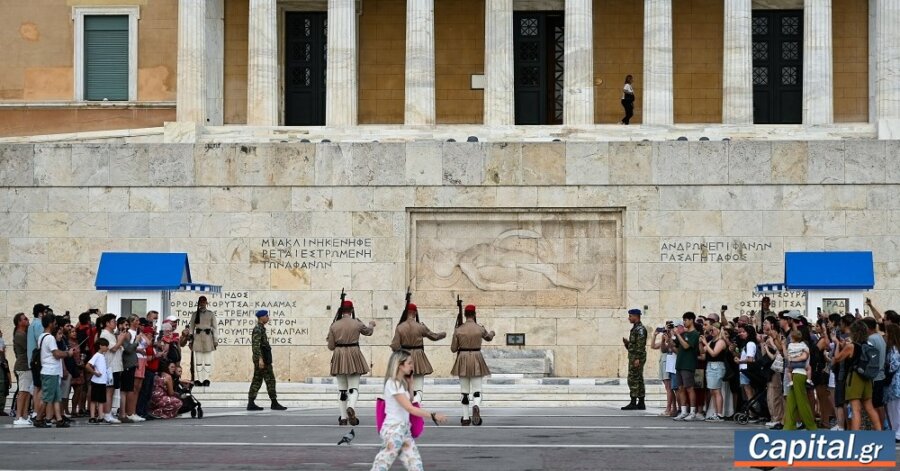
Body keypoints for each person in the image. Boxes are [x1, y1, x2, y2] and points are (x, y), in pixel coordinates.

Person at [370, 350, 447, 471]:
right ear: (400, 365)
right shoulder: (392, 384)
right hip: (393, 430)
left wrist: (410, 385)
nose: (412, 366)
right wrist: (432, 415)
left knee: (415, 465)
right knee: (381, 465)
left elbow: (409, 402)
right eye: (409, 363)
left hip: (404, 430)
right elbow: (410, 408)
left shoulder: (401, 384)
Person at [327, 299, 376, 426]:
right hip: (353, 355)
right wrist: (371, 324)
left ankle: (343, 418)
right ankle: (352, 407)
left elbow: (331, 346)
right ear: (352, 310)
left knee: (342, 390)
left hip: (339, 356)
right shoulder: (357, 323)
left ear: (341, 311)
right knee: (353, 387)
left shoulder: (334, 325)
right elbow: (368, 332)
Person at [390, 303, 447, 403]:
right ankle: (415, 407)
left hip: (405, 359)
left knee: (406, 387)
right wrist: (443, 334)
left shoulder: (400, 327)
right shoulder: (420, 327)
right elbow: (434, 336)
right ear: (415, 313)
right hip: (418, 358)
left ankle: (408, 408)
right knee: (418, 389)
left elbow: (394, 346)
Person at [450, 304, 495, 426]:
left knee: (464, 392)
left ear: (464, 315)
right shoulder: (479, 328)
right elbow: (488, 338)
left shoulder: (458, 329)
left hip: (463, 359)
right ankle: (476, 405)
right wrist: (492, 332)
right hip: (476, 358)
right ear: (474, 314)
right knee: (477, 390)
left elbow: (453, 349)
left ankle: (465, 418)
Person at [835, 320, 882, 431]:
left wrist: (838, 345)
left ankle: (855, 436)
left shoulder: (851, 346)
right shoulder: (868, 345)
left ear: (854, 332)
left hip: (855, 378)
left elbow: (837, 358)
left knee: (855, 409)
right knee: (870, 408)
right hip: (867, 378)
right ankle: (879, 432)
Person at [34, 314, 72, 428]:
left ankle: (59, 419)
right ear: (50, 323)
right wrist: (67, 353)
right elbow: (56, 354)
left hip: (51, 371)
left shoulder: (42, 336)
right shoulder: (50, 338)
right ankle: (39, 419)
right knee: (46, 398)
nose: (56, 324)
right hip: (50, 371)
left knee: (56, 397)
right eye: (55, 322)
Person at [247, 310, 286, 411]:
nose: (268, 317)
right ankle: (274, 402)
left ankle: (251, 403)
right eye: (266, 316)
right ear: (261, 318)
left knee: (257, 380)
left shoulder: (261, 329)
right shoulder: (258, 329)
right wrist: (260, 359)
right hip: (262, 360)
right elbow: (255, 346)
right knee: (270, 380)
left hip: (263, 359)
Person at [783, 329, 817, 430]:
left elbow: (803, 357)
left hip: (799, 374)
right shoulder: (802, 346)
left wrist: (792, 359)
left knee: (801, 401)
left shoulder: (801, 346)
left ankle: (811, 426)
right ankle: (788, 426)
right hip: (796, 374)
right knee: (791, 402)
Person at [671, 312, 700, 421]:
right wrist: (669, 338)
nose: (684, 322)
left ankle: (692, 412)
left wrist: (678, 334)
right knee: (681, 388)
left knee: (689, 388)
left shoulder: (695, 334)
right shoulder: (683, 334)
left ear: (691, 320)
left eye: (686, 320)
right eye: (683, 320)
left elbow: (686, 346)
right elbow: (677, 349)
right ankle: (683, 411)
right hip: (679, 363)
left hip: (688, 364)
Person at [187, 296, 218, 387]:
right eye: (201, 302)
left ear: (206, 303)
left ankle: (206, 379)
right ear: (199, 303)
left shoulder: (210, 314)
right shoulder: (194, 314)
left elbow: (215, 328)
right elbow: (191, 328)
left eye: (204, 302)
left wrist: (215, 340)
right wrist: (190, 340)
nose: (202, 303)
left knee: (207, 360)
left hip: (208, 337)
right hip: (198, 337)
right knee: (199, 360)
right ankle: (199, 379)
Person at [621, 308, 647, 410]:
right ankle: (640, 403)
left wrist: (637, 358)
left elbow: (640, 346)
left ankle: (633, 402)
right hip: (634, 356)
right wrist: (627, 344)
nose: (629, 318)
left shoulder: (640, 329)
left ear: (636, 316)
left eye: (630, 316)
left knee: (633, 379)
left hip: (637, 358)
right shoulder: (636, 328)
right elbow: (634, 346)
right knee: (638, 379)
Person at [700, 322, 726, 421]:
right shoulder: (712, 341)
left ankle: (719, 413)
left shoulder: (721, 341)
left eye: (713, 330)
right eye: (710, 330)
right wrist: (701, 342)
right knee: (712, 390)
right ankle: (716, 413)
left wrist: (706, 343)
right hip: (710, 366)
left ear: (718, 330)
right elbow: (703, 351)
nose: (711, 332)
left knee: (716, 390)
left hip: (717, 366)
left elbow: (714, 353)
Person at [12, 313, 33, 426]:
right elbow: (28, 347)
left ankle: (24, 415)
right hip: (23, 366)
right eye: (25, 319)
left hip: (27, 366)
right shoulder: (20, 335)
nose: (27, 319)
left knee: (27, 392)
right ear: (19, 322)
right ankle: (18, 415)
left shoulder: (24, 333)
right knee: (23, 391)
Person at [84, 337, 110, 424]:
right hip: (96, 381)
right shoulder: (96, 355)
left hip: (102, 381)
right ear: (100, 346)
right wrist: (94, 372)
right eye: (105, 346)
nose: (107, 347)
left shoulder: (102, 356)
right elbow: (88, 365)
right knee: (94, 399)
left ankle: (100, 416)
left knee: (101, 400)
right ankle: (92, 416)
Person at [882, 324, 900, 443]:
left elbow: (893, 365)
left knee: (894, 408)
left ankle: (897, 432)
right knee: (896, 408)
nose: (885, 335)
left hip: (894, 382)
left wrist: (885, 371)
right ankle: (896, 432)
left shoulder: (893, 348)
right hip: (895, 382)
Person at [0, 325, 9, 416]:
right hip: (1, 365)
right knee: (2, 386)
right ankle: (0, 408)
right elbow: (1, 351)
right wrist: (4, 362)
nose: (2, 333)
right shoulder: (0, 340)